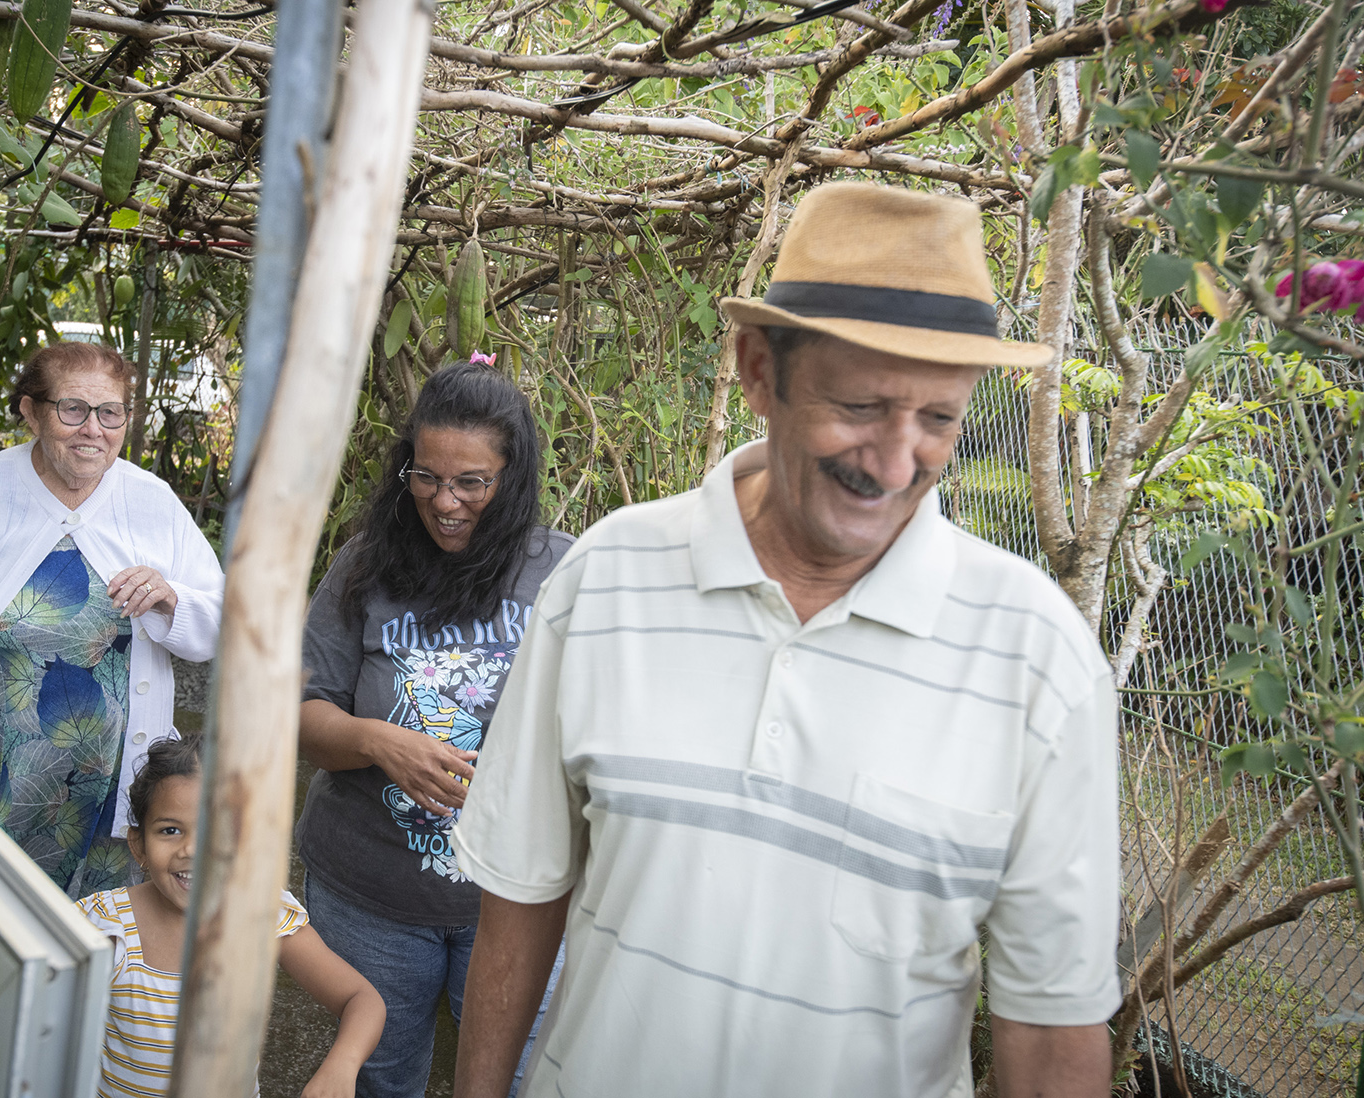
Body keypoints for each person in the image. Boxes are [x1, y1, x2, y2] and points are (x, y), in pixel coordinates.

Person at [450, 183, 1121, 1098]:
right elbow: (521, 900)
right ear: (759, 369)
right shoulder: (606, 579)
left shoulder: (1040, 659)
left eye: (937, 419)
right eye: (860, 405)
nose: (893, 463)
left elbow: (1051, 1035)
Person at [0, 341, 225, 1097]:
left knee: (97, 930)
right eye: (72, 409)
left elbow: (224, 618)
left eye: (110, 413)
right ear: (31, 412)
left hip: (110, 779)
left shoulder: (151, 502)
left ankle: (70, 1076)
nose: (92, 430)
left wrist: (172, 597)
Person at [296, 359, 574, 1098]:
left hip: (513, 905)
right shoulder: (365, 566)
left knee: (516, 1078)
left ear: (512, 477)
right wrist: (377, 741)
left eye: (472, 483)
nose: (445, 502)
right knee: (382, 1078)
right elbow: (299, 713)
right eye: (426, 477)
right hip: (370, 896)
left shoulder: (567, 576)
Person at [78, 734, 385, 1098]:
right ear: (139, 845)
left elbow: (362, 1000)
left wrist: (342, 1064)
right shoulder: (105, 924)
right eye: (170, 830)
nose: (192, 849)